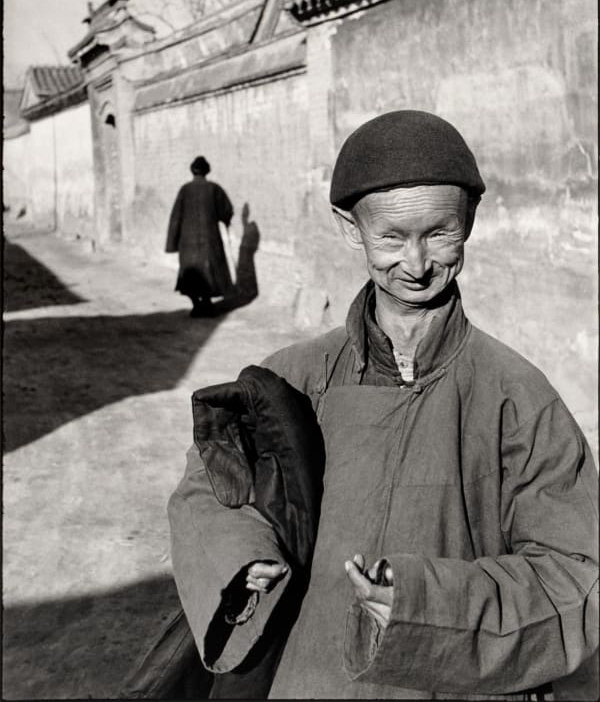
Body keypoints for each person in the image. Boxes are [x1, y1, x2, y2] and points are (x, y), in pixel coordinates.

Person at [168, 111, 598, 699]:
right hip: (305, 675)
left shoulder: (517, 397)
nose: (417, 264)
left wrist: (426, 603)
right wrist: (245, 556)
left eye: (440, 234)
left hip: (453, 679)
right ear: (351, 229)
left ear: (469, 221)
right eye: (391, 238)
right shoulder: (291, 379)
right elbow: (209, 491)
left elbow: (575, 574)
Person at [166, 156, 233, 317]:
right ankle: (207, 304)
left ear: (192, 171)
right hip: (209, 241)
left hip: (187, 243)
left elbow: (176, 217)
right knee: (210, 271)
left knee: (191, 274)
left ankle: (197, 305)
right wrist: (225, 220)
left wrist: (172, 243)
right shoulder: (214, 189)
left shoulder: (184, 190)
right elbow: (227, 210)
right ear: (207, 171)